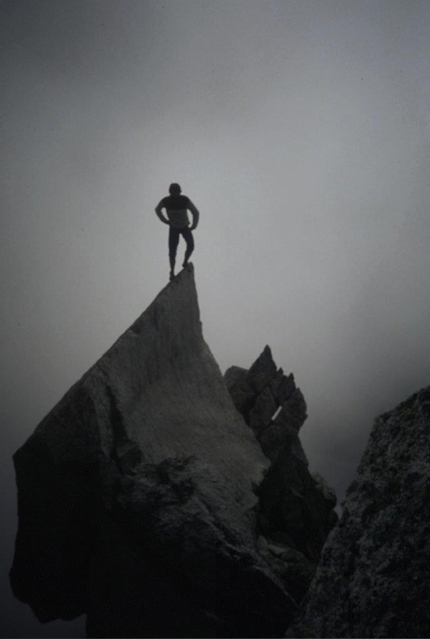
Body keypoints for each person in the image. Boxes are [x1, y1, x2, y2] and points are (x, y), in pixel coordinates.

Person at [155, 183, 200, 280]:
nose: (175, 194)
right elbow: (157, 210)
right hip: (175, 228)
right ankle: (172, 272)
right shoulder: (167, 201)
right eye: (173, 191)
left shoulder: (182, 200)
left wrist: (193, 225)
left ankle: (184, 262)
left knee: (190, 245)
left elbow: (196, 212)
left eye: (176, 191)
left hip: (182, 227)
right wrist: (165, 221)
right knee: (172, 251)